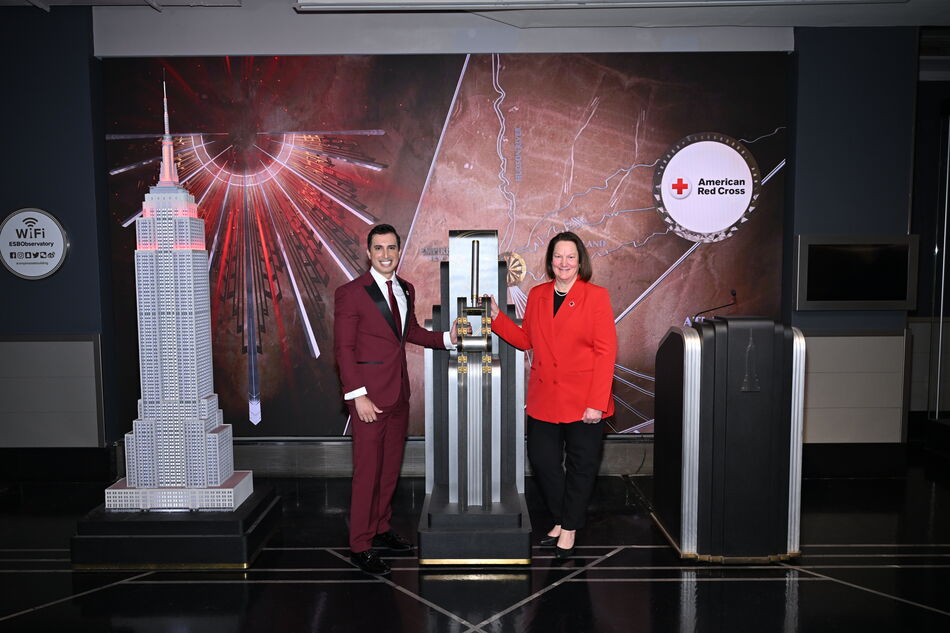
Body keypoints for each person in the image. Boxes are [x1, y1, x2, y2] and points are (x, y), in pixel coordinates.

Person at [334, 224, 456, 575]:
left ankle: (380, 528)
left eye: (392, 248)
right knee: (367, 472)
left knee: (389, 470)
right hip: (368, 399)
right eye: (379, 248)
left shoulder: (406, 288)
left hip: (398, 394)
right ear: (369, 253)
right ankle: (360, 545)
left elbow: (411, 332)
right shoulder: (351, 292)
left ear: (398, 251)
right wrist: (358, 396)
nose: (386, 254)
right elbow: (343, 349)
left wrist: (448, 338)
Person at [490, 231, 617, 560]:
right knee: (544, 461)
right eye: (558, 256)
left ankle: (569, 527)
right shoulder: (538, 294)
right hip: (545, 397)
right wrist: (495, 318)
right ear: (550, 261)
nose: (564, 262)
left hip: (585, 400)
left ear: (580, 262)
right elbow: (526, 339)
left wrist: (597, 403)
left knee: (580, 465)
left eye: (570, 257)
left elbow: (606, 353)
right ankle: (565, 517)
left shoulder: (596, 296)